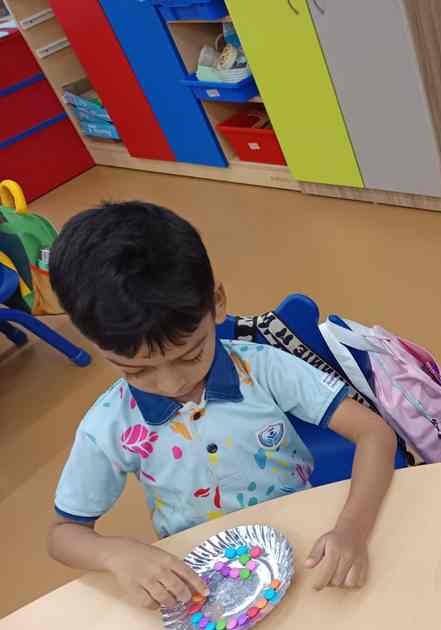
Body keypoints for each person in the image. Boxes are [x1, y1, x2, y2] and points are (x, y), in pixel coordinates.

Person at [47, 202, 398, 608]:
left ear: (216, 302)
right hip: (206, 583)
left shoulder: (262, 367)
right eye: (137, 371)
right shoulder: (109, 425)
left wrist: (352, 528)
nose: (172, 383)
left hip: (304, 550)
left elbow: (374, 433)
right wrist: (115, 554)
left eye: (191, 355)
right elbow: (63, 534)